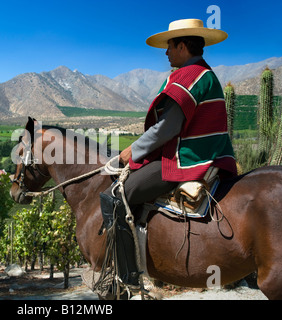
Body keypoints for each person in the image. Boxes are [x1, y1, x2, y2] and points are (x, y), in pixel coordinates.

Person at [99, 19, 238, 286]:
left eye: (170, 47)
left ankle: (125, 279)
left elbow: (167, 128)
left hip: (187, 158)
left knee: (115, 197)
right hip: (208, 152)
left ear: (183, 46)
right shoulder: (203, 73)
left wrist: (131, 152)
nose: (166, 53)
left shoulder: (190, 76)